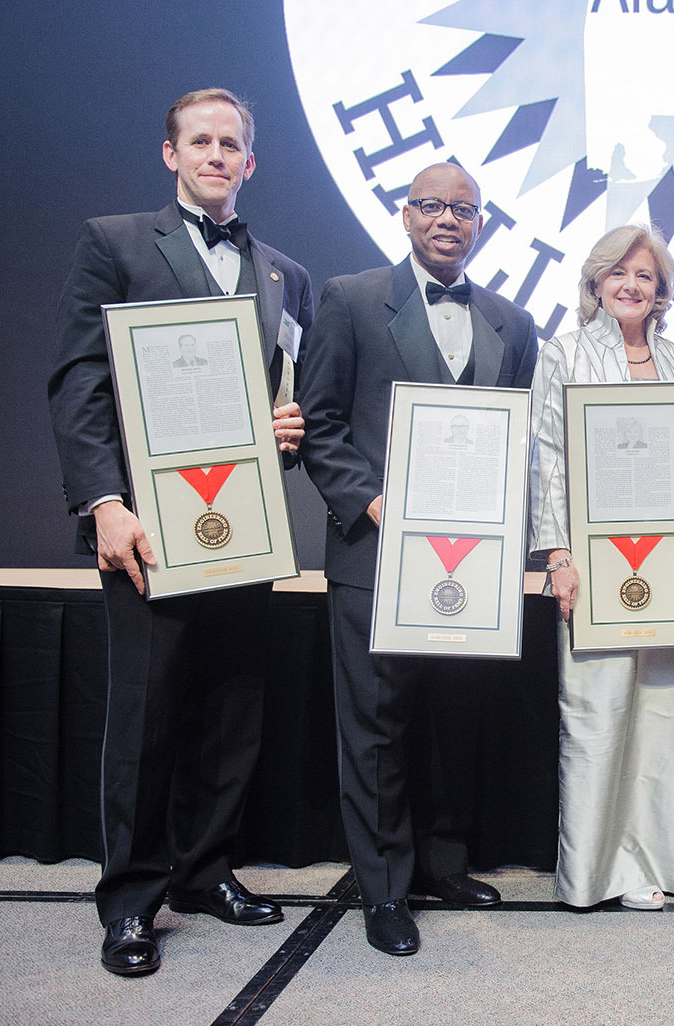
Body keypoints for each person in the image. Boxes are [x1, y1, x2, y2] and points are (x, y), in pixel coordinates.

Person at [47, 88, 312, 977]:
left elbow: (280, 391)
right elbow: (79, 384)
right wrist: (102, 503)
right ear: (171, 154)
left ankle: (207, 872)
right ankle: (130, 901)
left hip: (243, 527)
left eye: (230, 144)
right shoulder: (115, 242)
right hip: (147, 529)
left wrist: (287, 426)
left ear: (250, 161)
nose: (215, 154)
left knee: (233, 711)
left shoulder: (285, 273)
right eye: (199, 141)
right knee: (147, 719)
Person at [298, 161, 538, 954]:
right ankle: (385, 891)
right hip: (375, 555)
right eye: (432, 205)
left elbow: (519, 443)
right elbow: (322, 425)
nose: (447, 219)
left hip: (470, 567)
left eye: (463, 209)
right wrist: (372, 502)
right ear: (405, 215)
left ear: (480, 224)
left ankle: (443, 864)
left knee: (453, 722)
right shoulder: (351, 299)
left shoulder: (511, 320)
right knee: (375, 728)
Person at [529, 224, 674, 910]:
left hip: (669, 565)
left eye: (644, 276)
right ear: (594, 282)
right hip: (595, 562)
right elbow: (546, 458)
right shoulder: (562, 353)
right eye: (618, 273)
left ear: (662, 290)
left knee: (668, 715)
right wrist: (557, 555)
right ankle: (596, 874)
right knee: (598, 713)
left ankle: (662, 861)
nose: (631, 285)